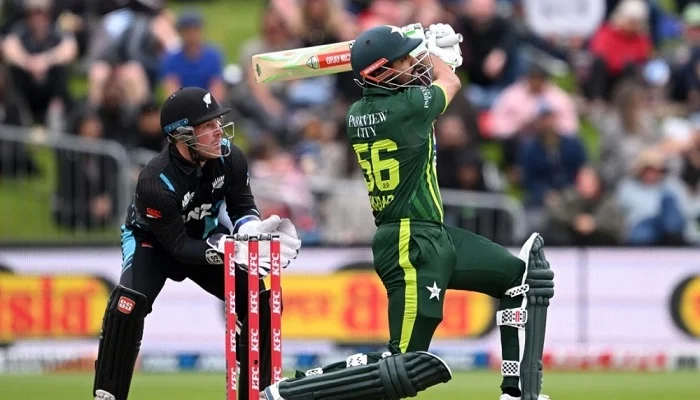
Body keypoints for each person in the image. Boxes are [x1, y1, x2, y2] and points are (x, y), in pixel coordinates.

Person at [263, 24, 554, 400]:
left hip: (430, 234)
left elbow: (420, 86)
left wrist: (420, 50)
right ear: (380, 72)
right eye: (403, 60)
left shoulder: (357, 114)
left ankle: (514, 392)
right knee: (403, 364)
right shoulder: (407, 107)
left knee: (517, 278)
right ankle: (294, 391)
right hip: (409, 241)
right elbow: (450, 83)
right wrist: (435, 53)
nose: (412, 64)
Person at [92, 86, 302, 400]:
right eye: (207, 126)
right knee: (129, 303)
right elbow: (177, 247)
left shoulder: (230, 157)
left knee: (263, 299)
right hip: (153, 244)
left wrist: (253, 231)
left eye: (218, 122)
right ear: (182, 136)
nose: (219, 132)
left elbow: (242, 208)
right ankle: (107, 394)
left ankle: (257, 394)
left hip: (204, 237)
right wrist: (231, 249)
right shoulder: (155, 181)